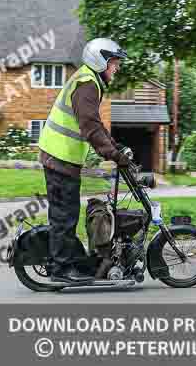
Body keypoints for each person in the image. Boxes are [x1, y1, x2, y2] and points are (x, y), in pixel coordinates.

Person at [38, 38, 132, 283]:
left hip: (62, 158)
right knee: (63, 216)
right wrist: (113, 155)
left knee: (66, 214)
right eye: (114, 63)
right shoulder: (87, 84)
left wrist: (115, 146)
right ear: (100, 61)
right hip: (59, 158)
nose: (117, 68)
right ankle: (61, 270)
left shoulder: (89, 81)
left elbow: (95, 124)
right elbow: (89, 126)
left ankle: (70, 262)